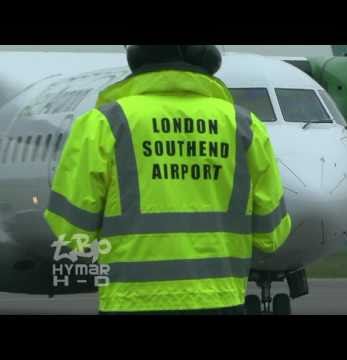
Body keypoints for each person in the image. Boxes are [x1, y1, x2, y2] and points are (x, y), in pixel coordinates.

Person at [44, 45, 291, 315]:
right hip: (220, 300)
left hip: (131, 302)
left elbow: (72, 231)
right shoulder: (245, 126)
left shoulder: (103, 123)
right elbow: (272, 234)